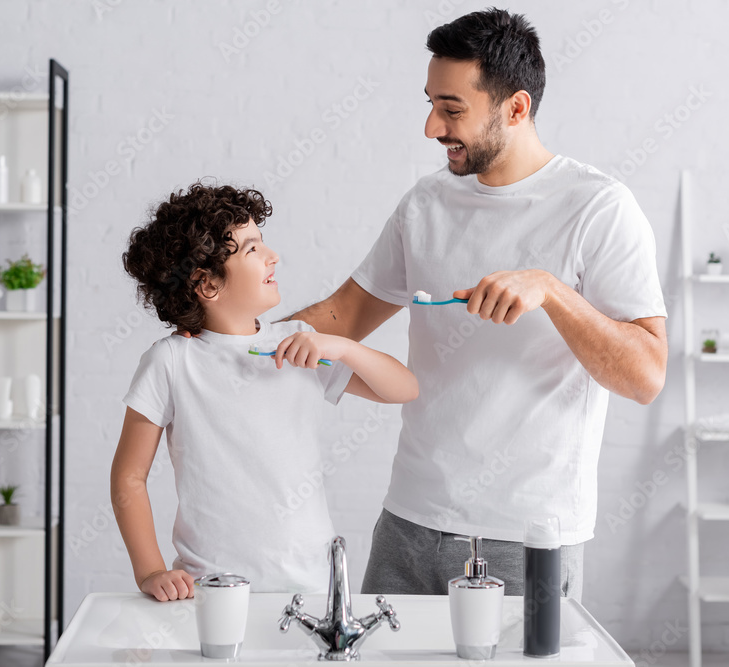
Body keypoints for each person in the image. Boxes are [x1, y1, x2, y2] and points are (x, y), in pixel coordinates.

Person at [284, 9, 668, 600]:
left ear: (516, 108)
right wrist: (230, 331)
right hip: (407, 522)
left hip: (527, 537)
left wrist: (552, 291)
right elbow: (343, 315)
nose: (432, 127)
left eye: (452, 109)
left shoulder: (598, 208)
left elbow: (645, 375)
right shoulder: (426, 203)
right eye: (432, 103)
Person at [111, 182, 418, 601]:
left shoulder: (300, 342)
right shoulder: (171, 361)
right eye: (252, 249)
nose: (273, 255)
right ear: (207, 284)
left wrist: (343, 346)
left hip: (315, 588)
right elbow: (129, 477)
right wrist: (149, 571)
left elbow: (403, 388)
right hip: (213, 592)